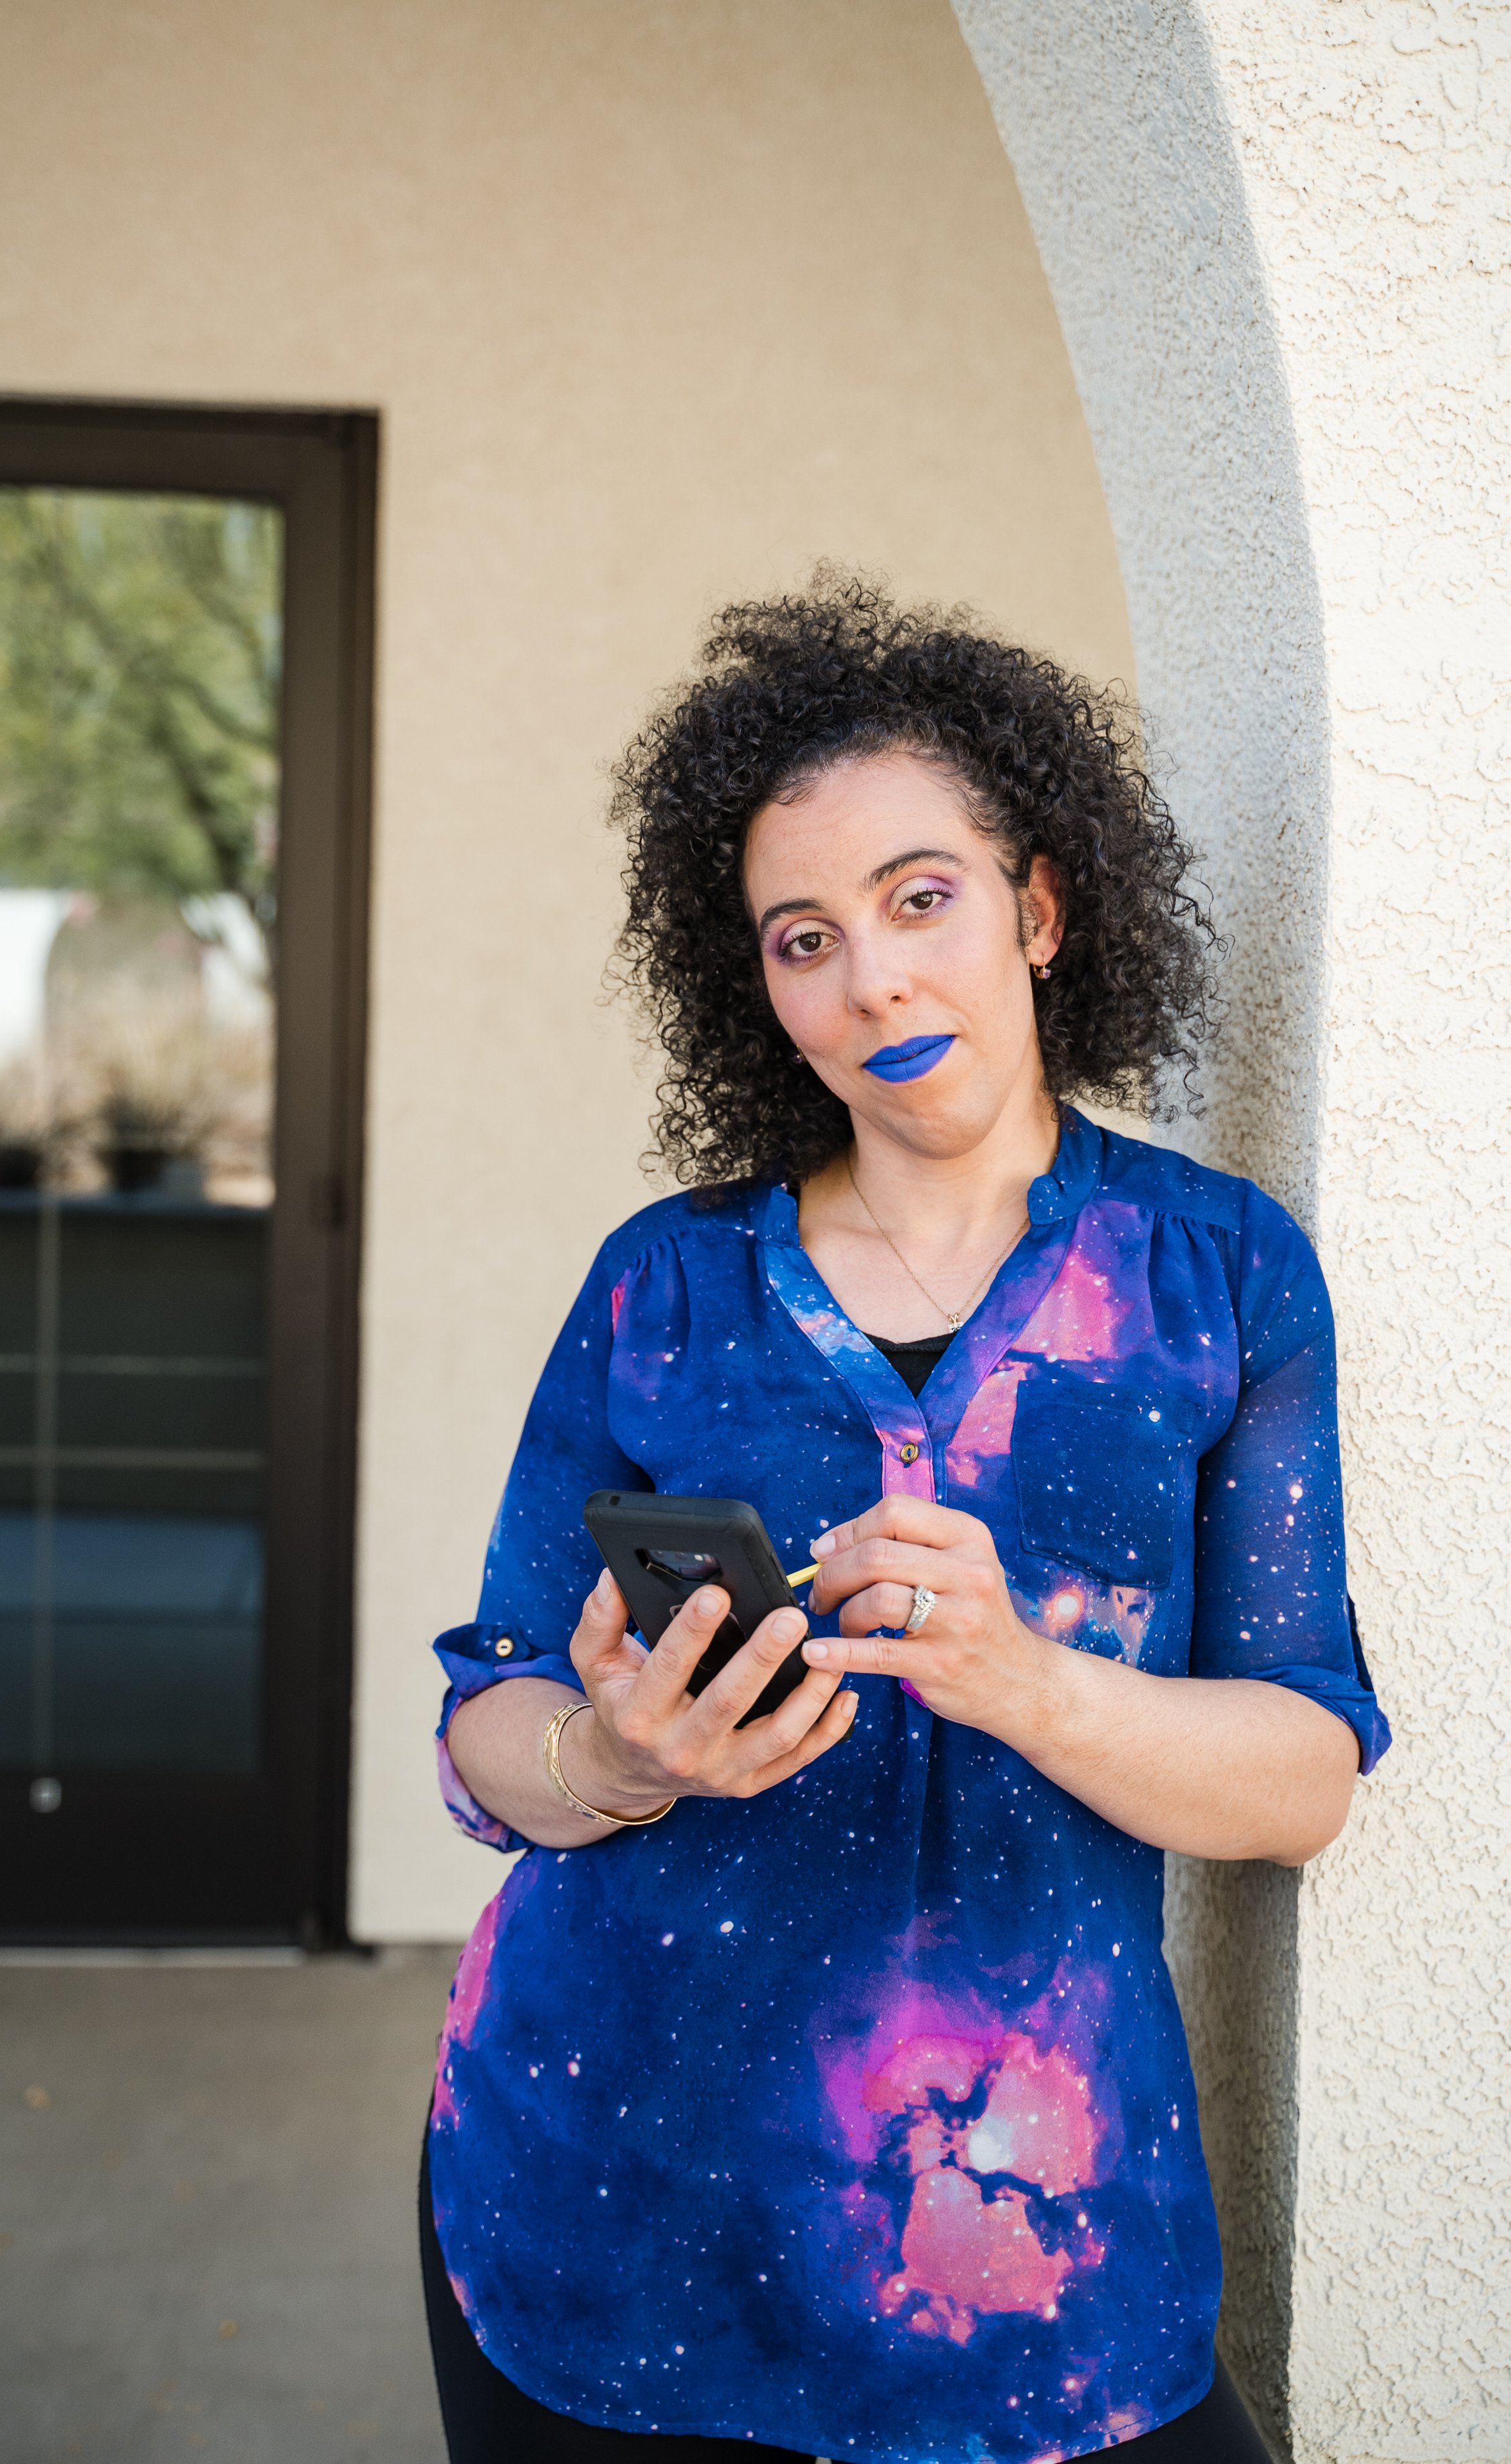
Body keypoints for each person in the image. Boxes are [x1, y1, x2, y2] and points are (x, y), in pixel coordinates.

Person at [421, 576, 1388, 2464]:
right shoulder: (663, 1283)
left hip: (1028, 2263)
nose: (868, 981)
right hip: (600, 2204)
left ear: (1039, 909)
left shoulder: (1219, 1273)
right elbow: (487, 1723)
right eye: (803, 939)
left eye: (919, 898)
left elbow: (1301, 1779)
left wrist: (1031, 1681)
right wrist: (616, 1758)